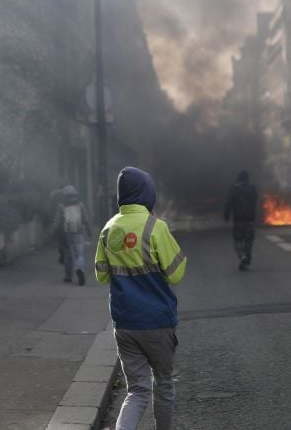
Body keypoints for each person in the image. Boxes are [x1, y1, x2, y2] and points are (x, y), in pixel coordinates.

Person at [95, 167, 186, 430]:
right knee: (164, 385)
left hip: (124, 324)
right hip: (157, 322)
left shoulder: (108, 229)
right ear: (148, 194)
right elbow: (176, 273)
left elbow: (101, 276)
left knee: (137, 390)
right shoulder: (156, 228)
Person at [55, 186, 91, 284]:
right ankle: (80, 269)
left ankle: (68, 276)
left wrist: (54, 232)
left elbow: (57, 221)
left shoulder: (61, 206)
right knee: (79, 254)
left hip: (66, 234)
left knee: (68, 255)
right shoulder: (81, 205)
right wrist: (89, 230)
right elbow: (85, 219)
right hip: (78, 232)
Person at [223, 170, 258, 270]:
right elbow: (255, 202)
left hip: (238, 220)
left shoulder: (234, 189)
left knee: (238, 240)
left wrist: (226, 215)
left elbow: (229, 203)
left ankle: (242, 256)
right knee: (249, 241)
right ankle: (247, 256)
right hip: (250, 219)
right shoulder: (253, 189)